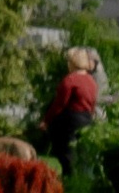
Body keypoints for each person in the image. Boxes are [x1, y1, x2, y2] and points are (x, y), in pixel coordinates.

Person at [37, 45, 103, 177]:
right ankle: (79, 176)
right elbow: (93, 102)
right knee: (81, 150)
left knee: (62, 146)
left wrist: (46, 121)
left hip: (71, 119)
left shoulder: (70, 80)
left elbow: (59, 104)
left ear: (71, 63)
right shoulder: (92, 81)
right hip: (87, 118)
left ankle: (68, 173)